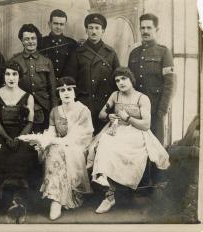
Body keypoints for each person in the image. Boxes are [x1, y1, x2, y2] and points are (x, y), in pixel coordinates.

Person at [88, 67, 170, 214]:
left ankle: (120, 190)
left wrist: (128, 118)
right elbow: (101, 114)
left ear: (131, 80)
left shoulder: (142, 98)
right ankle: (109, 195)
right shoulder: (115, 95)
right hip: (116, 129)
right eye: (117, 80)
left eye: (124, 79)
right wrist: (108, 116)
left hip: (136, 132)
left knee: (124, 150)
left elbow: (145, 125)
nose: (120, 82)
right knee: (104, 145)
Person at [19, 77, 93, 220]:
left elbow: (82, 136)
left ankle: (57, 200)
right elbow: (52, 132)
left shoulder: (83, 110)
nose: (66, 93)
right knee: (52, 149)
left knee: (56, 149)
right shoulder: (55, 111)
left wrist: (55, 141)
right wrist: (44, 140)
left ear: (74, 92)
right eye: (62, 90)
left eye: (69, 89)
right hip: (59, 145)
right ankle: (56, 198)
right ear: (58, 94)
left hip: (77, 146)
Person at [0, 62, 38, 223]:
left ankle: (18, 199)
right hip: (0, 133)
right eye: (8, 74)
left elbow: (29, 122)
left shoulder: (28, 96)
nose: (11, 78)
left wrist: (19, 138)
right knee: (0, 153)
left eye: (14, 74)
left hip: (22, 134)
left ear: (19, 76)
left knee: (25, 153)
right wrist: (7, 138)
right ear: (3, 76)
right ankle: (5, 201)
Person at [64, 13, 120, 135]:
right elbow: (69, 81)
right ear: (86, 30)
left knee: (103, 141)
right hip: (84, 105)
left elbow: (119, 81)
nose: (94, 31)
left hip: (105, 106)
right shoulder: (77, 53)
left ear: (103, 30)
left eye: (97, 28)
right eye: (91, 28)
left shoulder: (110, 53)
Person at [128, 13, 176, 145]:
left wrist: (162, 110)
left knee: (155, 146)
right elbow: (129, 83)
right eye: (142, 28)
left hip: (155, 109)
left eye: (149, 28)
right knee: (136, 146)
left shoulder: (164, 52)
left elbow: (170, 84)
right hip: (136, 109)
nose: (145, 31)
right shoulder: (134, 53)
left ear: (156, 30)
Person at [9, 24, 58, 133]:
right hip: (22, 108)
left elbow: (52, 89)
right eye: (26, 39)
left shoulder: (46, 61)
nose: (30, 42)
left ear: (37, 39)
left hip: (44, 108)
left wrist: (54, 111)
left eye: (33, 38)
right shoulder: (14, 61)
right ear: (22, 41)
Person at [39, 9, 78, 80]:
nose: (58, 27)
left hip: (65, 86)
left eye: (61, 24)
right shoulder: (40, 43)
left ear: (65, 25)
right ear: (49, 24)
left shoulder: (72, 44)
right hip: (46, 85)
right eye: (55, 23)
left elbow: (75, 68)